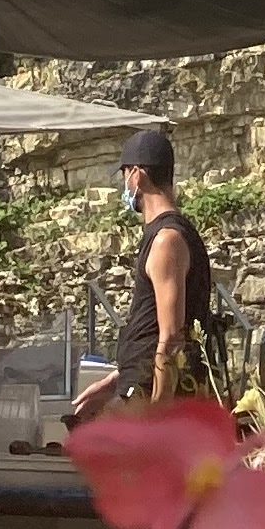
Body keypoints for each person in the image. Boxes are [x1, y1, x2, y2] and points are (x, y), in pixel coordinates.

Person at [89, 126, 222, 409]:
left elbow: (171, 337)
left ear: (137, 175)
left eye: (125, 174)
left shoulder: (166, 240)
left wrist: (157, 411)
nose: (125, 185)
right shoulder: (164, 235)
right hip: (139, 385)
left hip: (151, 397)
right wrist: (116, 379)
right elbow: (150, 327)